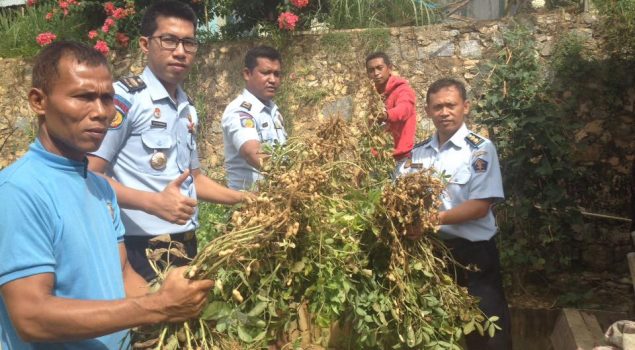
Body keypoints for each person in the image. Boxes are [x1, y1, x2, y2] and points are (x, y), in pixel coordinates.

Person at [0, 41, 213, 350]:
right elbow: (31, 316)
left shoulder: (100, 188)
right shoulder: (19, 192)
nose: (100, 112)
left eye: (107, 98)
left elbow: (124, 275)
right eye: (83, 97)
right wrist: (158, 307)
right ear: (38, 102)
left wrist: (175, 299)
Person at [88, 1, 245, 281]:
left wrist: (245, 199)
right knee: (146, 323)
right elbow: (89, 173)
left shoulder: (187, 107)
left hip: (185, 242)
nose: (181, 52)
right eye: (169, 41)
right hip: (140, 248)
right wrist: (152, 203)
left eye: (189, 43)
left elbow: (193, 178)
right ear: (145, 44)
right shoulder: (126, 100)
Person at [397, 78, 511, 350]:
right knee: (437, 330)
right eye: (437, 107)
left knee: (486, 333)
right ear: (427, 111)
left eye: (451, 105)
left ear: (466, 107)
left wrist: (429, 221)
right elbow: (397, 192)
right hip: (432, 255)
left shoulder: (480, 149)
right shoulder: (418, 154)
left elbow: (480, 205)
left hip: (473, 257)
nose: (444, 112)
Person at [221, 45, 287, 190]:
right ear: (247, 74)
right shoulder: (239, 111)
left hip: (277, 201)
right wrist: (288, 176)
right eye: (266, 73)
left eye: (277, 74)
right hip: (249, 205)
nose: (273, 80)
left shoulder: (274, 112)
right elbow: (252, 152)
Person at [365, 51, 417, 162]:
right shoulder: (372, 96)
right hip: (379, 158)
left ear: (389, 68)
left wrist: (386, 115)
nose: (376, 73)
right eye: (371, 70)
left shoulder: (402, 90)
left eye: (380, 68)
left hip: (401, 157)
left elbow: (405, 108)